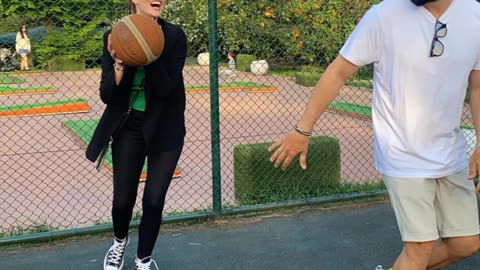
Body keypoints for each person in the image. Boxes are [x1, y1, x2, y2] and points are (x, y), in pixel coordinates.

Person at [268, 0, 480, 269]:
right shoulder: (384, 15)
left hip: (451, 152)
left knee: (466, 243)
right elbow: (338, 72)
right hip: (402, 152)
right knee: (420, 250)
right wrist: (302, 129)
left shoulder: (474, 14)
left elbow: (477, 88)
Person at [85, 0, 187, 269]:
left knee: (153, 199)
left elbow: (166, 88)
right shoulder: (114, 36)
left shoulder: (174, 35)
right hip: (129, 125)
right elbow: (108, 96)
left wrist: (148, 51)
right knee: (122, 200)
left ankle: (144, 258)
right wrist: (119, 64)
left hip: (165, 125)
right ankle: (119, 242)